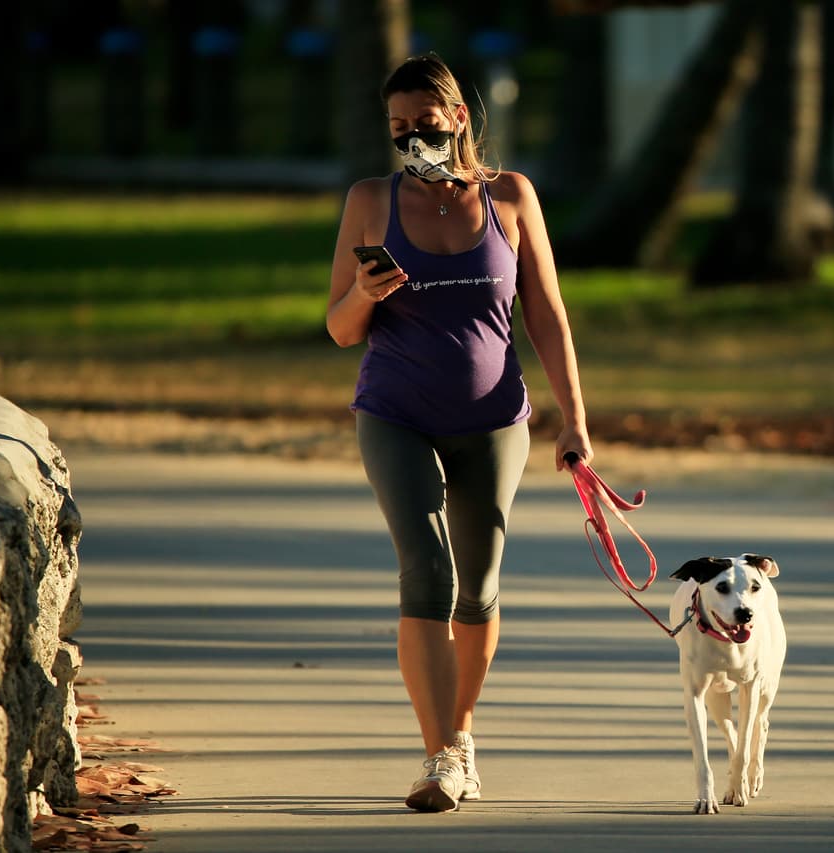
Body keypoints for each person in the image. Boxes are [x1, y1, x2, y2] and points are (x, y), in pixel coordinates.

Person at [325, 53, 592, 813]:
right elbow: (340, 329)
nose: (412, 137)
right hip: (395, 413)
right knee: (428, 572)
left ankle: (462, 736)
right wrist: (365, 293)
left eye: (425, 123)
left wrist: (574, 421)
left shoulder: (511, 197)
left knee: (477, 589)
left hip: (493, 419)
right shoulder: (370, 200)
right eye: (398, 127)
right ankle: (439, 754)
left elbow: (545, 312)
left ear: (460, 118)